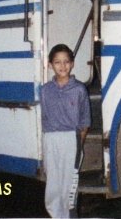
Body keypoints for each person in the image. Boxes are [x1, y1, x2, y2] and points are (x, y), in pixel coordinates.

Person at [41, 44, 91, 218]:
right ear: (50, 65)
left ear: (72, 64)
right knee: (53, 186)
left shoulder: (79, 89)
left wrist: (78, 142)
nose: (62, 66)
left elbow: (85, 120)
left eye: (66, 62)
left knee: (69, 186)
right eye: (57, 62)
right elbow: (44, 119)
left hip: (72, 140)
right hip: (51, 140)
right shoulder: (45, 90)